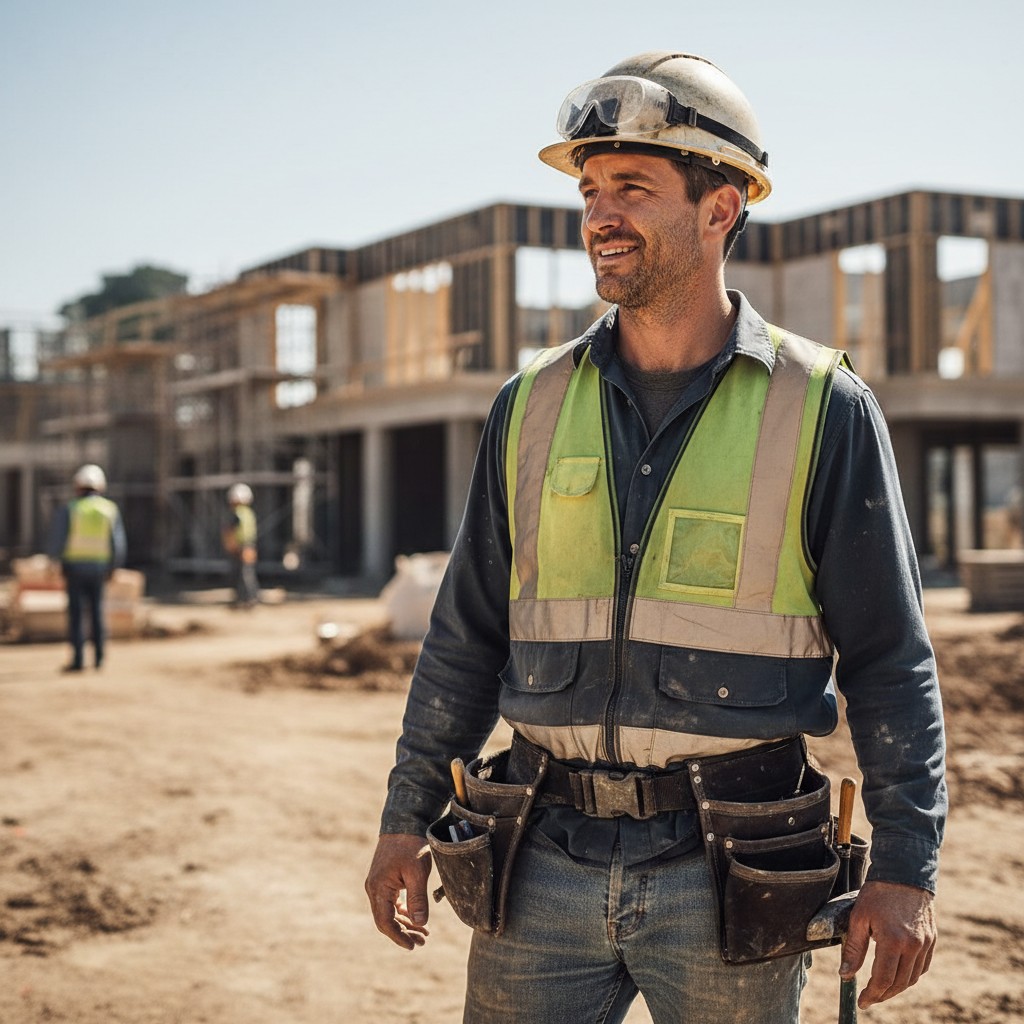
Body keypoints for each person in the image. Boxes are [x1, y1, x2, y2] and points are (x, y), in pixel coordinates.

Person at [365, 52, 946, 1023]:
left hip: (734, 870)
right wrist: (402, 816)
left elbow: (890, 660)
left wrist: (905, 866)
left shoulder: (821, 409)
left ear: (720, 207)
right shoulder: (530, 404)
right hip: (537, 858)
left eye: (631, 188)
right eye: (589, 190)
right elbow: (464, 638)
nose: (598, 214)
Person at [47, 463, 126, 672]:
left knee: (77, 614)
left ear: (78, 486)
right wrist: (115, 566)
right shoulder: (109, 509)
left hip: (74, 567)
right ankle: (99, 658)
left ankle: (78, 660)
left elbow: (58, 540)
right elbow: (117, 543)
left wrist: (53, 560)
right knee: (98, 612)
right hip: (99, 567)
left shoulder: (71, 509)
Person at [222, 483, 259, 607]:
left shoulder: (236, 513)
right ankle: (249, 598)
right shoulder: (249, 513)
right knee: (248, 573)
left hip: (240, 547)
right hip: (249, 546)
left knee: (241, 575)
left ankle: (245, 599)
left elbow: (230, 531)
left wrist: (231, 546)